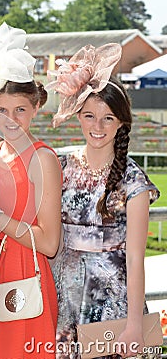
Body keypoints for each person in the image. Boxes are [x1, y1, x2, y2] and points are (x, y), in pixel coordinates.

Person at [46, 43, 160, 358]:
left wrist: (134, 325)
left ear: (121, 122)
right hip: (64, 300)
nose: (97, 127)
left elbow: (136, 259)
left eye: (108, 118)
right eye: (89, 116)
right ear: (77, 116)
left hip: (113, 306)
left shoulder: (132, 181)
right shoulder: (59, 165)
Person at [0, 22, 62, 358]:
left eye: (20, 110)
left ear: (36, 108)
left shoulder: (43, 159)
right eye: (1, 110)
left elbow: (49, 243)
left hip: (25, 278)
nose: (10, 119)